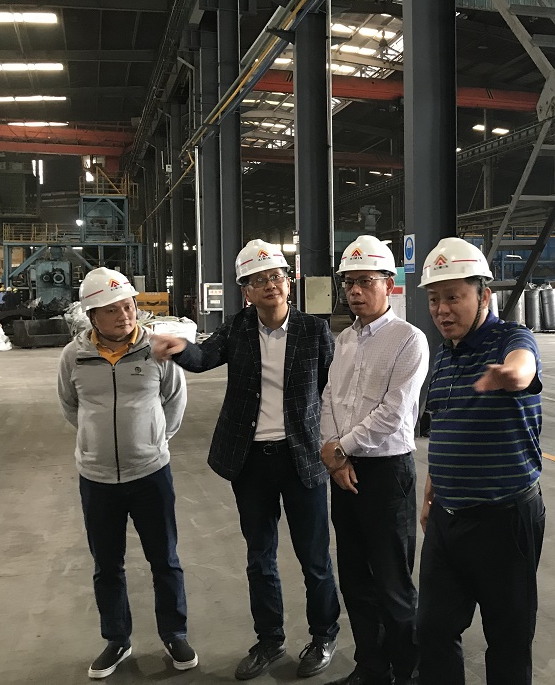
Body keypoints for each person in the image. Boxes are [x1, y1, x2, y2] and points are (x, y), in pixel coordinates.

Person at [150, 239, 341, 681]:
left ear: (288, 282)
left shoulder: (314, 331)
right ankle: (270, 640)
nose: (270, 285)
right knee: (260, 557)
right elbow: (204, 357)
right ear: (246, 291)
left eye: (276, 276)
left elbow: (332, 391)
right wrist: (179, 347)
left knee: (314, 558)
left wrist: (336, 444)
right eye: (259, 280)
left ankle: (323, 636)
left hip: (302, 459)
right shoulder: (236, 329)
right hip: (251, 462)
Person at [415, 237, 546, 685]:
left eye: (454, 297)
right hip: (448, 519)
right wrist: (433, 486)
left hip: (503, 520)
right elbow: (444, 422)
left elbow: (523, 366)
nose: (442, 310)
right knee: (432, 629)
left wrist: (513, 375)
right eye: (434, 299)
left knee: (508, 638)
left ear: (484, 296)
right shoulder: (444, 354)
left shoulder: (512, 338)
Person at [56, 267, 196, 679]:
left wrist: (152, 441)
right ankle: (117, 639)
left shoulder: (157, 350)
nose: (124, 315)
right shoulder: (74, 356)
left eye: (128, 306)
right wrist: (94, 442)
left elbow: (174, 400)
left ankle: (174, 633)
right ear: (92, 316)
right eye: (112, 309)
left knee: (164, 559)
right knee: (107, 565)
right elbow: (70, 406)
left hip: (150, 474)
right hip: (97, 479)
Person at [319, 236, 429, 685]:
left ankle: (407, 671)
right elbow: (329, 398)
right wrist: (333, 453)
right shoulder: (343, 339)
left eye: (365, 281)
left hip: (387, 474)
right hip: (344, 472)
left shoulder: (409, 340)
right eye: (349, 282)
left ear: (389, 284)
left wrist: (341, 448)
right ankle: (371, 667)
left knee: (393, 583)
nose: (355, 291)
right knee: (355, 580)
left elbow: (394, 412)